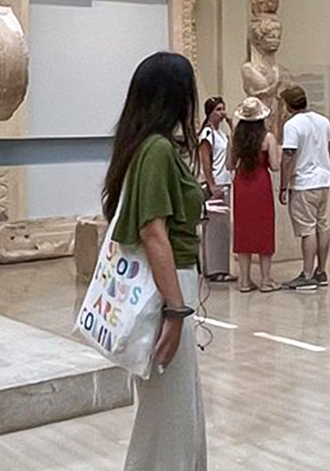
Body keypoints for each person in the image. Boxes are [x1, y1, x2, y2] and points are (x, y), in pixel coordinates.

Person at [102, 52, 207, 471]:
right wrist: (176, 309)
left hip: (170, 284)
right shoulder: (158, 150)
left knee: (175, 408)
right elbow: (153, 232)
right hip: (167, 286)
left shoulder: (144, 146)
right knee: (170, 411)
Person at [278, 85, 330, 292]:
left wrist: (284, 184)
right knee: (322, 226)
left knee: (307, 229)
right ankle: (321, 271)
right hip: (323, 180)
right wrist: (326, 169)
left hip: (303, 183)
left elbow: (288, 155)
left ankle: (307, 274)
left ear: (287, 104)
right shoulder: (323, 121)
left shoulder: (292, 125)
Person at [230, 97, 279, 293]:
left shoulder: (236, 138)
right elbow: (275, 166)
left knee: (244, 230)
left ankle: (244, 280)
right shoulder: (267, 138)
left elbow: (229, 165)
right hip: (261, 185)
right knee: (264, 228)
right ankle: (266, 279)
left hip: (242, 184)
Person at [196, 96, 233, 283]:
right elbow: (206, 161)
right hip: (215, 183)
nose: (222, 113)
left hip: (226, 181)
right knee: (214, 227)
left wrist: (232, 125)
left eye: (223, 108)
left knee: (223, 227)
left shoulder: (222, 134)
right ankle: (213, 268)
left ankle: (222, 267)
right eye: (218, 109)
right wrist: (211, 184)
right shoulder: (207, 135)